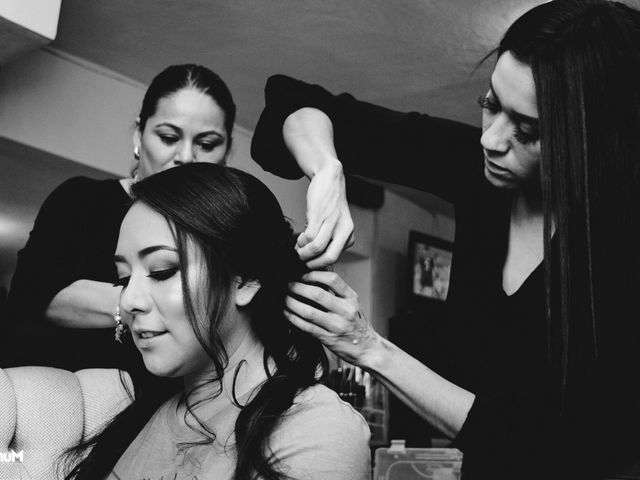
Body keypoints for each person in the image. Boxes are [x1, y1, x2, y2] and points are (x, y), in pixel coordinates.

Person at [250, 1, 640, 478]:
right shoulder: (478, 171)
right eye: (491, 104)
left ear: (594, 138)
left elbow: (547, 446)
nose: (491, 140)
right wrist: (327, 172)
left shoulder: (622, 253)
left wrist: (369, 347)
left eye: (528, 130)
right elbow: (294, 103)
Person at [61, 163, 371, 480]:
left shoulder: (316, 428)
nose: (128, 301)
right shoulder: (146, 411)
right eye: (123, 279)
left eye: (162, 271)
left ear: (246, 279)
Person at [2, 64, 236, 370]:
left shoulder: (227, 232)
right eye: (168, 137)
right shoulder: (82, 199)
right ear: (139, 135)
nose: (186, 157)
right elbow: (31, 295)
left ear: (227, 153)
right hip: (54, 386)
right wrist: (149, 304)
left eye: (206, 144)